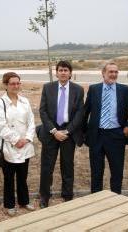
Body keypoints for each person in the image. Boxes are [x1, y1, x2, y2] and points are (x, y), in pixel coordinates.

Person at [84, 62, 128, 194]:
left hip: (116, 135)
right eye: (111, 72)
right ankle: (96, 199)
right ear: (103, 73)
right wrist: (86, 132)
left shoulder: (125, 90)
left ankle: (115, 198)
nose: (114, 74)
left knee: (116, 171)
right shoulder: (94, 89)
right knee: (96, 171)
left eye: (116, 72)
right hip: (97, 135)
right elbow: (85, 112)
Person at [37, 60, 84, 208]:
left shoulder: (78, 89)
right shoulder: (47, 88)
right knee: (47, 167)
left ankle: (67, 195)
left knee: (67, 166)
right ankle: (44, 196)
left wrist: (68, 130)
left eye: (66, 70)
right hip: (51, 133)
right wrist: (54, 131)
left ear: (70, 73)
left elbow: (79, 113)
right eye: (60, 70)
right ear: (56, 72)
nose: (63, 72)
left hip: (68, 134)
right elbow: (42, 111)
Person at [0, 72, 36, 216]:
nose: (16, 86)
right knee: (9, 177)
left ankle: (24, 201)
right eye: (12, 83)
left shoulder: (25, 101)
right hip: (9, 146)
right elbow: (1, 126)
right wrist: (16, 140)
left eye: (18, 83)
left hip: (25, 145)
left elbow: (31, 122)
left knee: (23, 176)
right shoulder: (0, 103)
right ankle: (9, 204)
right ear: (5, 85)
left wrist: (27, 138)